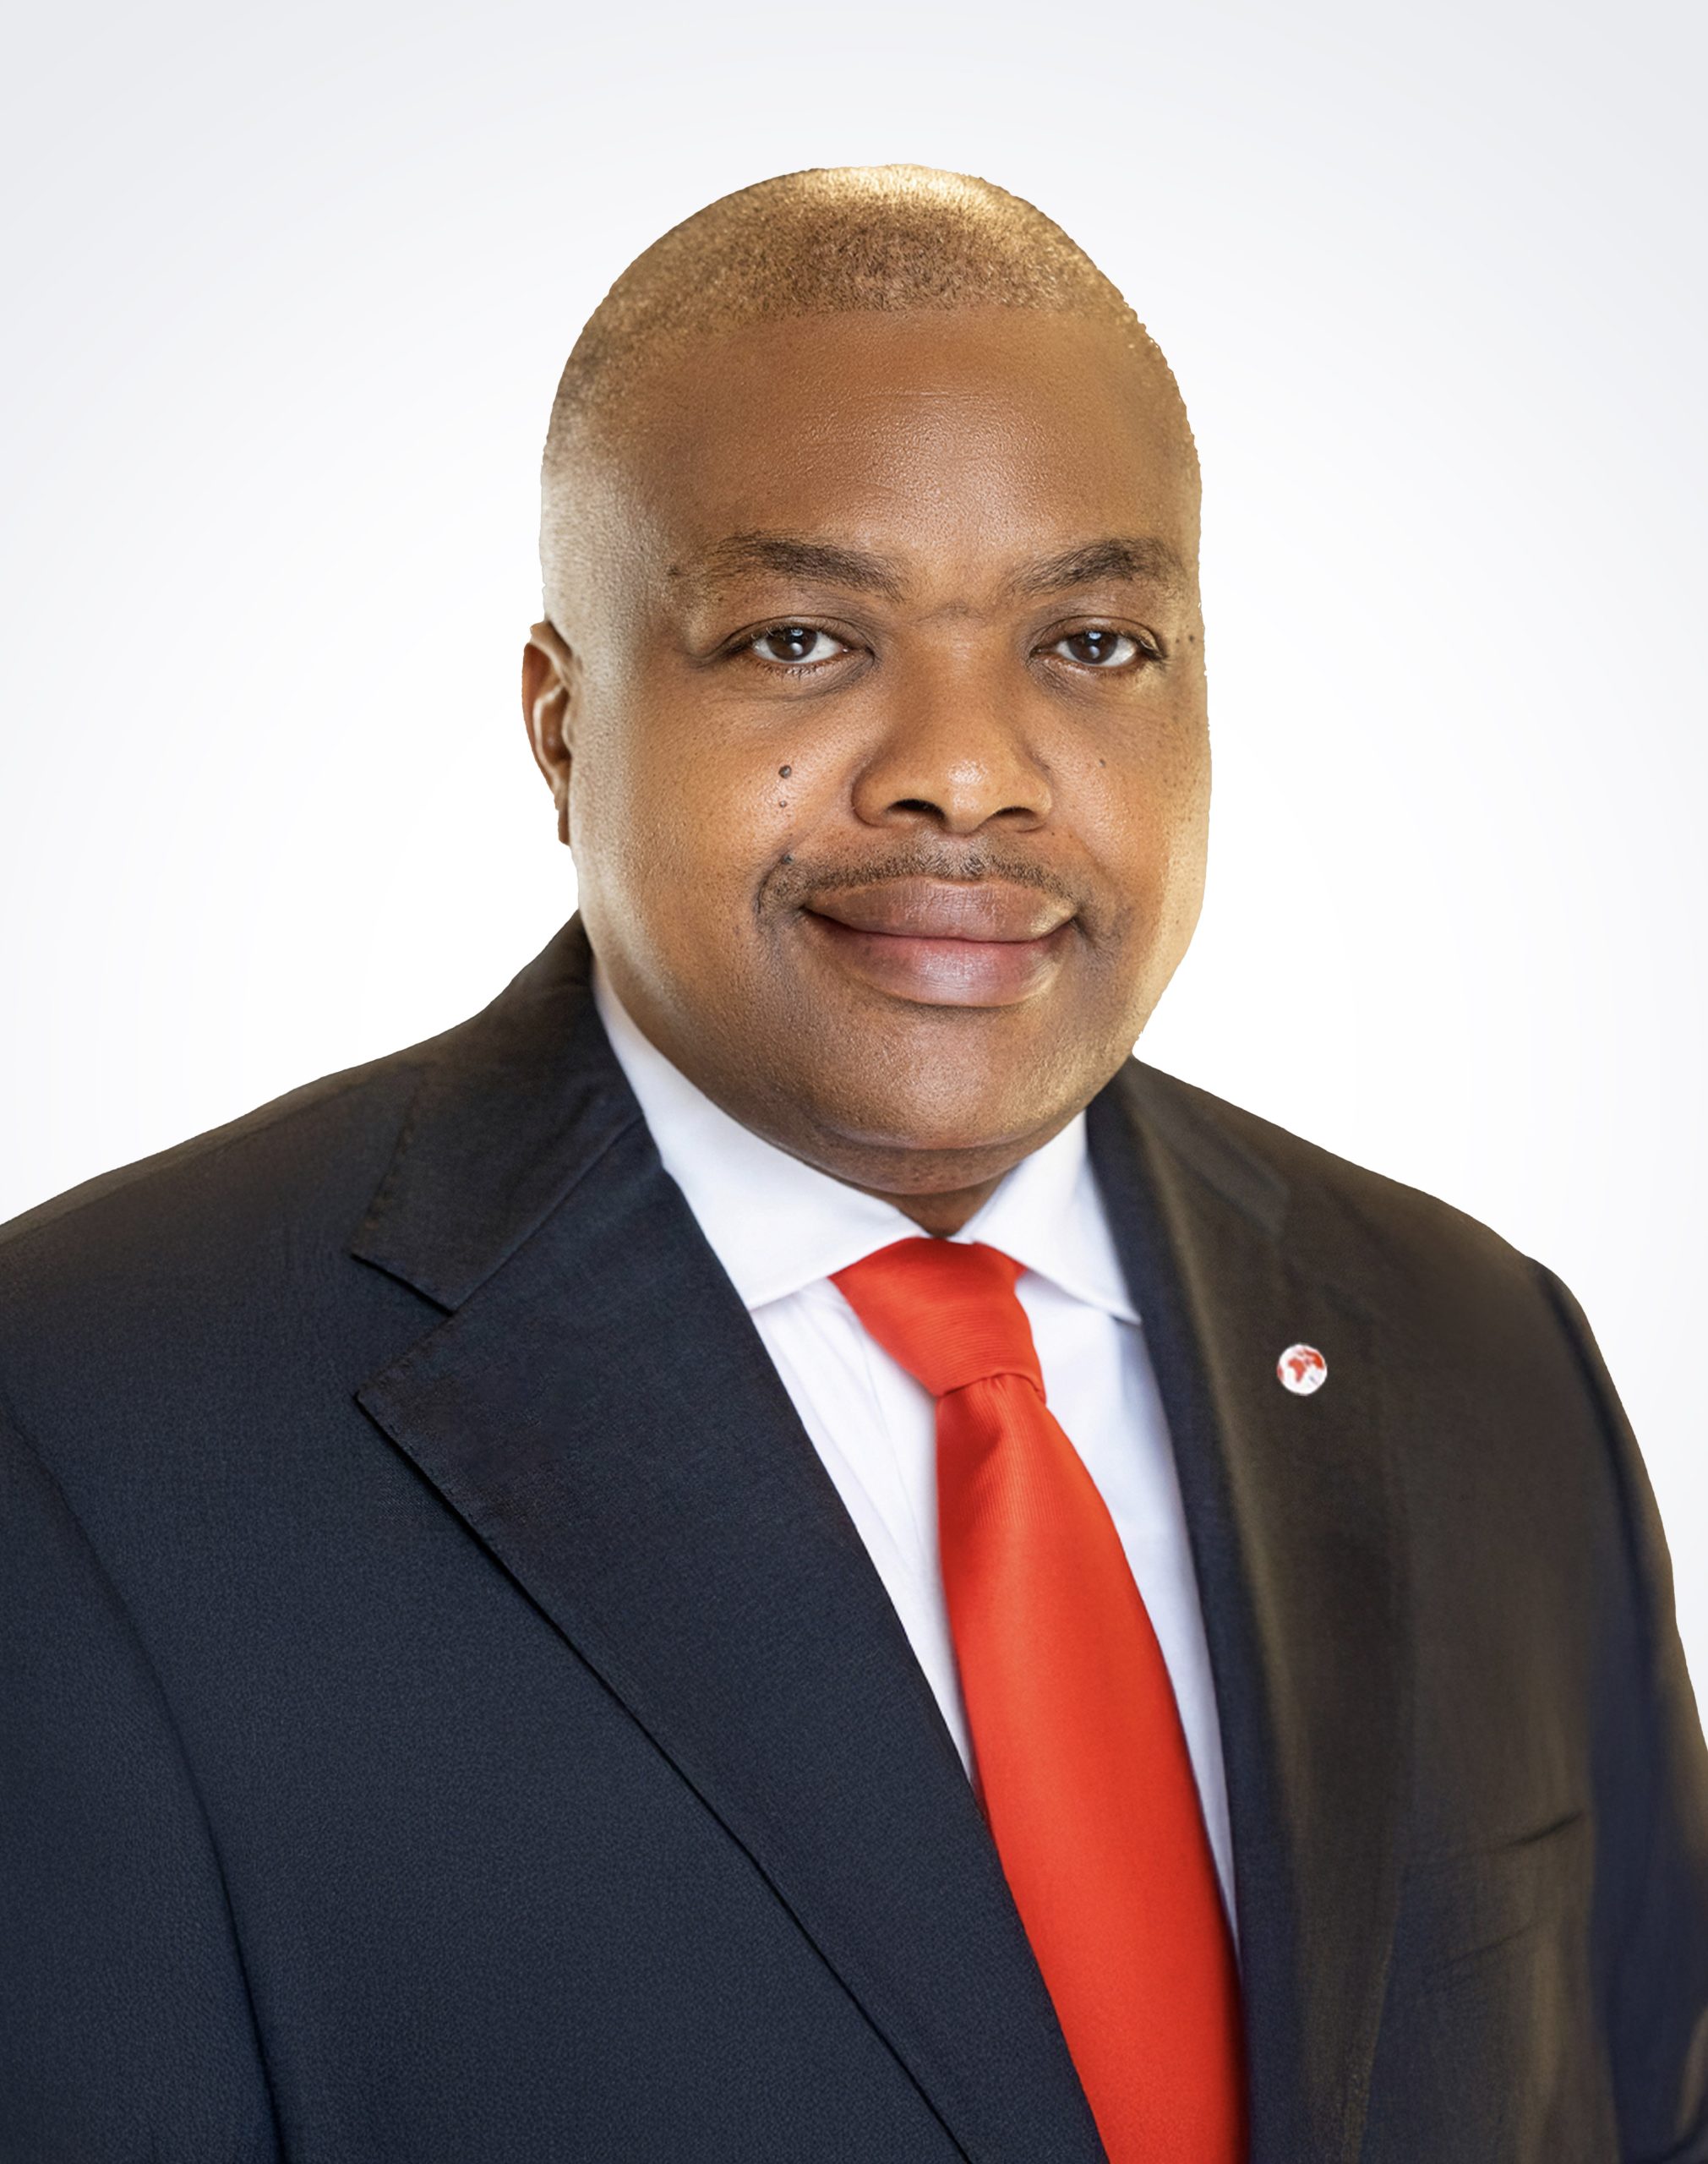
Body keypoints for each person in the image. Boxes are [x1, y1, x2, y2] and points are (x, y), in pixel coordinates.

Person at [1, 165, 1703, 2164]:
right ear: (561, 724)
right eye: (801, 636)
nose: (966, 768)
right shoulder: (92, 1422)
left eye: (1093, 640)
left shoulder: (1482, 1351)